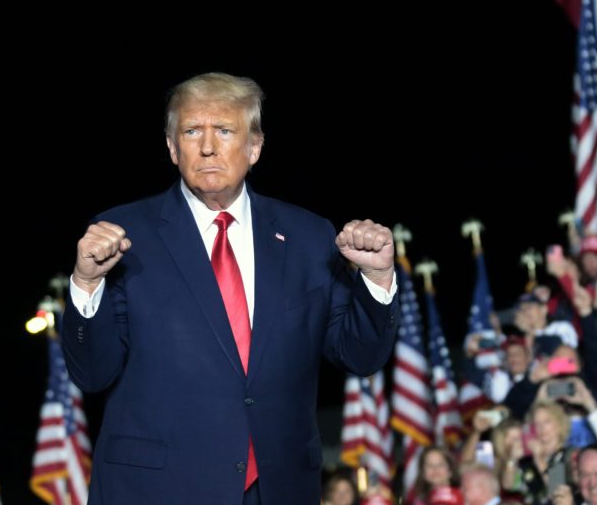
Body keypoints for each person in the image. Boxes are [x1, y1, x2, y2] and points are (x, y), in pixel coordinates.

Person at [61, 72, 400, 505]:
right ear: (171, 146)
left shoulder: (309, 237)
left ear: (255, 146)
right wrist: (87, 282)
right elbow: (92, 372)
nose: (207, 147)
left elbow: (361, 356)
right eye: (190, 131)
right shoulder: (125, 235)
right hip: (157, 489)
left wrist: (375, 279)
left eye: (224, 130)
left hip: (279, 487)